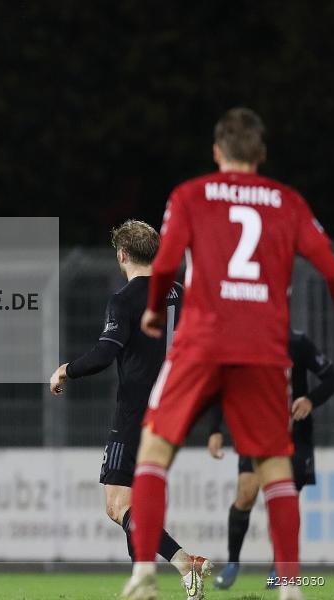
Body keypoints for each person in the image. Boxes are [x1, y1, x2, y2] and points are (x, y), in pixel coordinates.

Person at [121, 108, 334, 600]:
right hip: (263, 350)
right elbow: (333, 271)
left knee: (155, 450)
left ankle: (143, 576)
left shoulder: (192, 194)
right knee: (274, 468)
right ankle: (290, 588)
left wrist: (155, 312)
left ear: (217, 152)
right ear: (261, 154)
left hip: (201, 341)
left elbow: (165, 264)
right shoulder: (288, 202)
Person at [50, 220, 210, 599]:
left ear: (122, 255)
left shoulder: (125, 299)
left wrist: (64, 370)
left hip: (137, 412)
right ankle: (148, 583)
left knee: (117, 505)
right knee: (134, 507)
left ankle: (183, 562)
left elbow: (106, 354)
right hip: (174, 410)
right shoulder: (180, 293)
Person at [209, 329, 334, 589]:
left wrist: (310, 400)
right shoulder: (244, 342)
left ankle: (280, 566)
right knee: (246, 495)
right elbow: (222, 386)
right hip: (255, 432)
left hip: (295, 436)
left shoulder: (298, 342)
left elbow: (332, 379)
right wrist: (215, 429)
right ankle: (233, 562)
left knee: (284, 500)